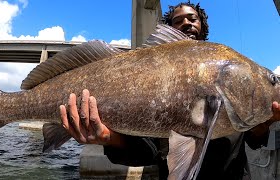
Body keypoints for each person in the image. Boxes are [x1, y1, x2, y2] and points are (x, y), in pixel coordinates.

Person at [59, 2, 280, 180]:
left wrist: (263, 123)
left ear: (202, 26)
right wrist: (110, 138)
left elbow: (253, 139)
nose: (186, 22)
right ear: (170, 32)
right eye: (177, 21)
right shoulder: (151, 72)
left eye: (192, 19)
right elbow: (148, 151)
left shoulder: (226, 67)